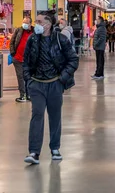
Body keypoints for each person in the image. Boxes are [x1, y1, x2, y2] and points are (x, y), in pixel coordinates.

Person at [23, 12, 79, 165]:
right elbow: (26, 60)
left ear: (48, 24)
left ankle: (55, 148)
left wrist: (63, 78)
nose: (37, 24)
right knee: (37, 115)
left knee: (55, 116)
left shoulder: (60, 39)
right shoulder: (32, 39)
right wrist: (28, 79)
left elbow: (73, 59)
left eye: (40, 21)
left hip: (55, 83)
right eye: (36, 21)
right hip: (37, 84)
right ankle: (34, 152)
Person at [10, 16, 34, 102]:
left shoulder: (34, 32)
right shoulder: (18, 30)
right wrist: (13, 53)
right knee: (20, 77)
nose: (24, 24)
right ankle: (22, 95)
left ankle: (29, 94)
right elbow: (12, 42)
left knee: (29, 77)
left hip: (29, 60)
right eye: (23, 22)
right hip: (18, 58)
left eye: (26, 22)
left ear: (30, 24)